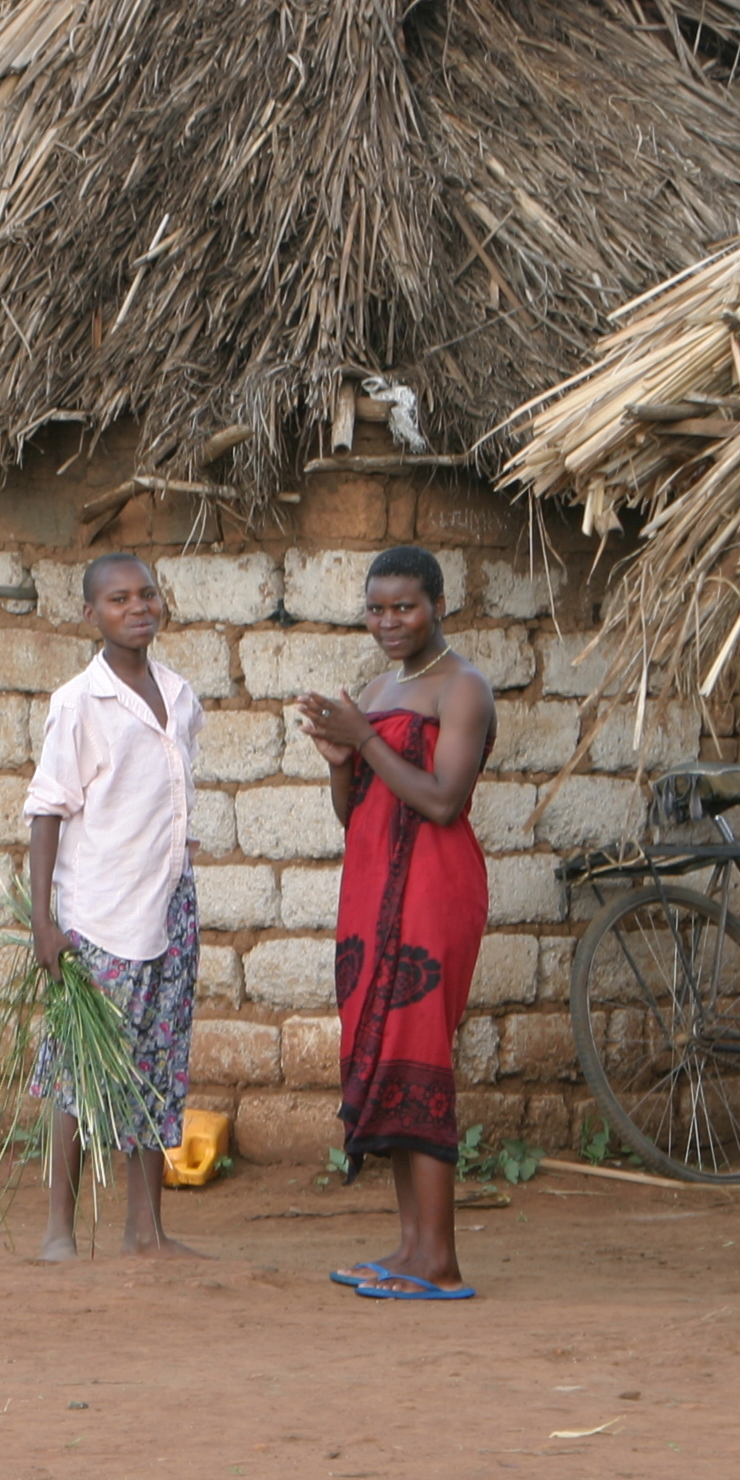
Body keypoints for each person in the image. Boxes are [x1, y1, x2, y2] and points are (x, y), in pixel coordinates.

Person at [294, 545, 494, 1302]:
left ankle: (440, 1261)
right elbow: (356, 816)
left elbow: (444, 800)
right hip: (372, 890)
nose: (388, 622)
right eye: (376, 609)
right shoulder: (378, 688)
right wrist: (340, 759)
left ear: (437, 604)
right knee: (383, 1057)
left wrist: (367, 738)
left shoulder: (463, 689)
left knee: (421, 1057)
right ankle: (411, 1248)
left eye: (404, 607)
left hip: (435, 891)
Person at [24, 551, 206, 1262]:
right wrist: (44, 920)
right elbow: (47, 811)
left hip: (169, 906)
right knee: (80, 1070)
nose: (138, 608)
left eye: (147, 595)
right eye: (119, 599)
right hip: (100, 916)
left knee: (160, 1066)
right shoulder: (79, 702)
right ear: (90, 614)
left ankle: (146, 1231)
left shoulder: (181, 695)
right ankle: (58, 1231)